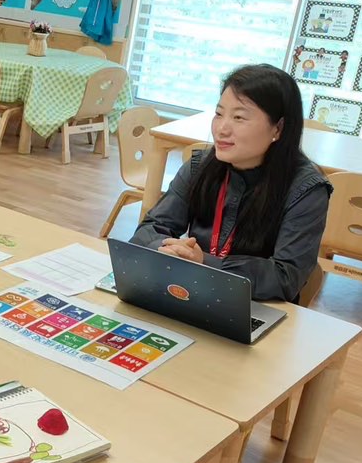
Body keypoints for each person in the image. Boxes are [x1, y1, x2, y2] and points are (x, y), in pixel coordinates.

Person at [130, 64, 332, 302]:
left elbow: (285, 277)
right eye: (219, 114)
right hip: (190, 292)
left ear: (278, 128)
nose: (222, 129)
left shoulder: (306, 190)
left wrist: (205, 263)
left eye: (238, 117)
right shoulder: (200, 166)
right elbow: (148, 231)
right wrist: (171, 250)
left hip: (256, 306)